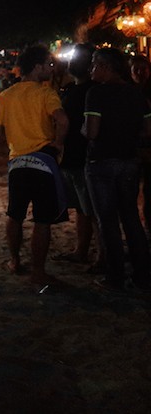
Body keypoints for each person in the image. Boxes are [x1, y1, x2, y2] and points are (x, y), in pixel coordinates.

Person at [0, 44, 68, 288]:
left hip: (18, 161)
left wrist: (15, 137)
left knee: (15, 214)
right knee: (42, 219)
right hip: (43, 159)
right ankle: (38, 272)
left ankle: (14, 261)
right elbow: (63, 120)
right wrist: (58, 143)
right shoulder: (46, 93)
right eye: (47, 64)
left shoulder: (7, 95)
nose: (51, 69)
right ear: (36, 67)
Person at [83, 47, 151, 292]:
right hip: (129, 160)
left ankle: (115, 276)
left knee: (108, 220)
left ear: (105, 67)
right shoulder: (136, 93)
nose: (91, 69)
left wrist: (83, 130)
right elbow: (148, 130)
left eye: (94, 64)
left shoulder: (96, 93)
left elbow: (92, 131)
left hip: (101, 161)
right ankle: (142, 275)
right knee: (131, 217)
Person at [52, 43, 100, 268]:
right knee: (81, 208)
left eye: (79, 59)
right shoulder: (71, 89)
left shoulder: (95, 91)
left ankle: (103, 256)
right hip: (70, 157)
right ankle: (81, 250)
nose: (73, 62)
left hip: (86, 158)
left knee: (93, 209)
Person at [128, 53, 151, 234]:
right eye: (136, 69)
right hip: (132, 148)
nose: (139, 73)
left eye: (143, 69)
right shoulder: (127, 92)